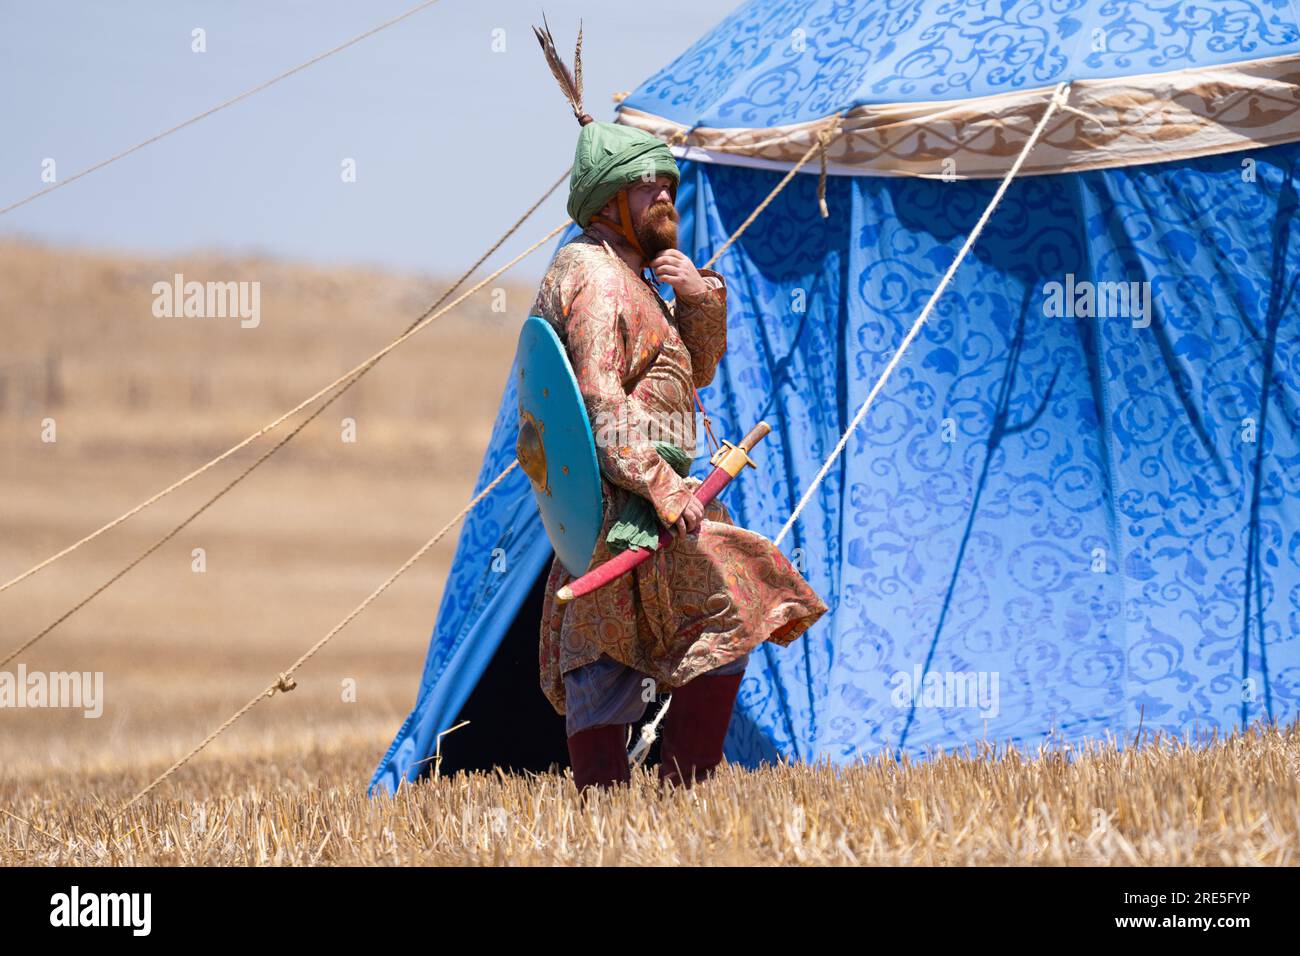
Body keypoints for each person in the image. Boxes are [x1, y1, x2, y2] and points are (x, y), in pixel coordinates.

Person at [530, 22, 828, 793]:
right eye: (646, 185)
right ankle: (622, 810)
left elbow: (691, 372)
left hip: (645, 504)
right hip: (621, 507)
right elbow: (597, 401)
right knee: (609, 656)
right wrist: (664, 491)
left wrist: (697, 299)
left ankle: (676, 800)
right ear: (607, 202)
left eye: (669, 182)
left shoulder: (634, 275)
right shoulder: (595, 279)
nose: (665, 193)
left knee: (706, 627)